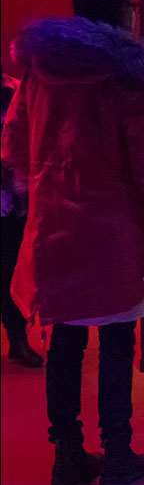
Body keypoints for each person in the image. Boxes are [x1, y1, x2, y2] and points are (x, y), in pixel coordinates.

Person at [1, 0, 144, 485]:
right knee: (119, 342)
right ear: (123, 11)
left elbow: (13, 145)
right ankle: (118, 454)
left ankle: (67, 456)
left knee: (64, 343)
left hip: (55, 228)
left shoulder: (40, 68)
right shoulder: (131, 76)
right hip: (115, 235)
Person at [1, 71, 43, 368]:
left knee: (10, 269)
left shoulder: (15, 88)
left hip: (11, 196)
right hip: (12, 193)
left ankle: (17, 338)